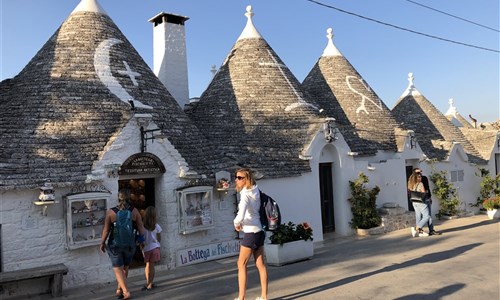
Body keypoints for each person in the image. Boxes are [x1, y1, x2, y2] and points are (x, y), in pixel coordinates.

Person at [100, 191, 145, 300]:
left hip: (115, 244)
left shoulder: (111, 212)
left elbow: (106, 230)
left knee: (117, 269)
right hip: (130, 244)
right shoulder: (134, 211)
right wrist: (142, 241)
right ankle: (119, 289)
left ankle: (126, 292)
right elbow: (140, 226)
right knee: (125, 267)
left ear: (118, 199)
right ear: (130, 198)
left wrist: (102, 242)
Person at [233, 168, 268, 300]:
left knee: (241, 264)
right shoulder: (256, 190)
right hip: (260, 231)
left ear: (246, 179)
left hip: (251, 233)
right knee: (260, 264)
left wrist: (236, 223)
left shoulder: (245, 195)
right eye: (236, 177)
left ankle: (241, 297)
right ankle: (264, 296)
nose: (236, 180)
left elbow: (240, 215)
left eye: (240, 178)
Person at [413, 168, 441, 235]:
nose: (420, 173)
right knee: (422, 216)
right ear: (414, 173)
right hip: (420, 199)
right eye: (418, 172)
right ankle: (418, 229)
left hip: (425, 198)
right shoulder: (413, 180)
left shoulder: (424, 178)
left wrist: (430, 196)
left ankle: (431, 230)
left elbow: (428, 187)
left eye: (420, 171)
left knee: (428, 215)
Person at [141, 206, 162, 291]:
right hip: (154, 247)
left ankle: (147, 282)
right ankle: (150, 283)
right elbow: (159, 237)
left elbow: (141, 238)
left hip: (146, 248)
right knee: (152, 266)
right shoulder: (156, 226)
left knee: (147, 265)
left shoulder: (142, 226)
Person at [408, 172, 430, 237]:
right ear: (416, 177)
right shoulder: (420, 184)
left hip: (414, 202)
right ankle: (416, 228)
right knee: (427, 216)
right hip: (421, 202)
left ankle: (420, 232)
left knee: (418, 216)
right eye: (419, 177)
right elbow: (423, 192)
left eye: (420, 176)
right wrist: (426, 192)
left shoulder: (410, 184)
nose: (420, 178)